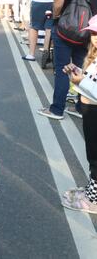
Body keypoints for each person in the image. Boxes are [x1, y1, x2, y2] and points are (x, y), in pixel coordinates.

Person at [38, 0, 97, 120]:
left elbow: (58, 2)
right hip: (86, 33)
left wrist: (56, 16)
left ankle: (57, 109)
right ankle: (80, 107)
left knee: (63, 69)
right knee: (82, 69)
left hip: (64, 31)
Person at [62, 14, 97, 215]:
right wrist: (77, 73)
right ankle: (92, 191)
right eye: (93, 33)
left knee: (95, 158)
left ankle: (94, 200)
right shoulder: (93, 56)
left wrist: (79, 82)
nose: (95, 37)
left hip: (94, 111)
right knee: (92, 154)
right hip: (90, 112)